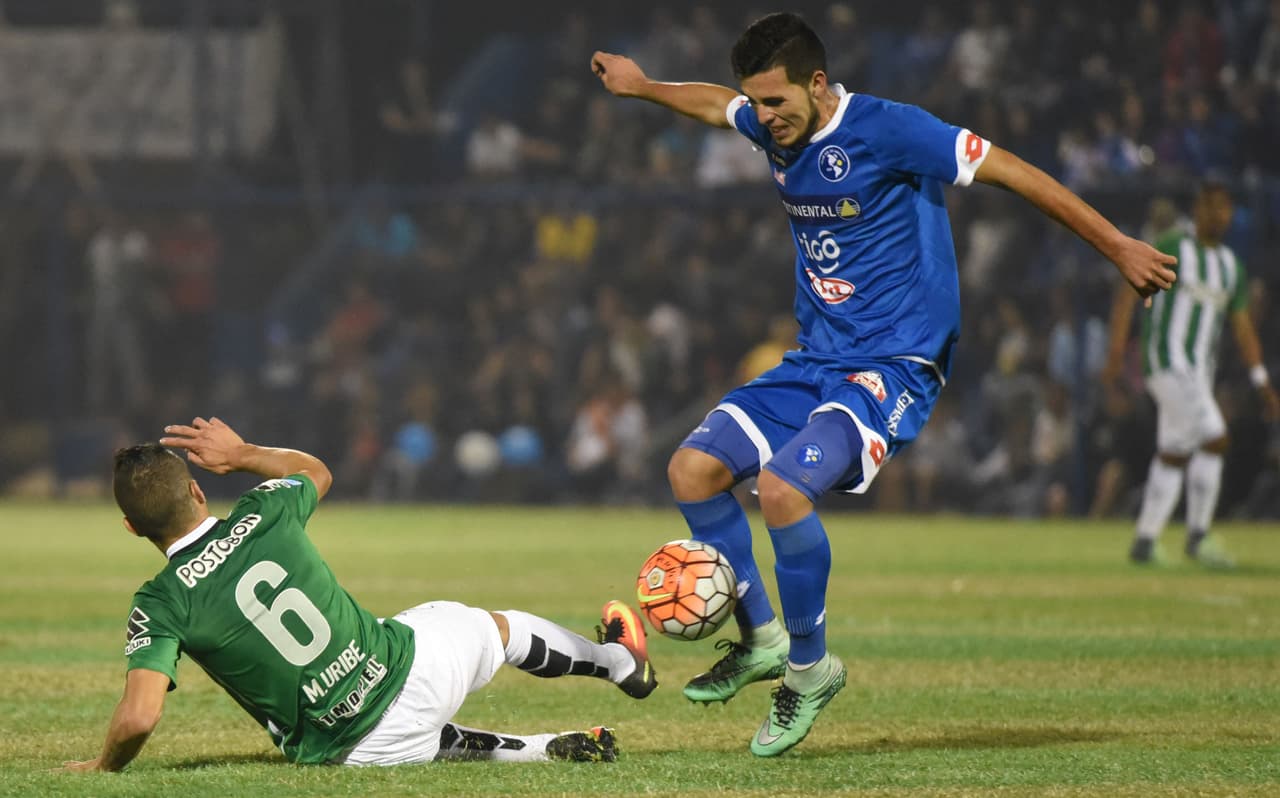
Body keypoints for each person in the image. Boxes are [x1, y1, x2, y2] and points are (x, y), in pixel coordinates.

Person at [591, 11, 1176, 757]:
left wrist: (1118, 244)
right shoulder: (770, 123)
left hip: (894, 363)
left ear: (817, 82)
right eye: (757, 104)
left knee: (780, 491)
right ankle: (763, 637)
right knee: (692, 470)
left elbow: (1012, 171)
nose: (764, 120)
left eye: (777, 103)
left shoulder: (890, 130)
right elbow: (715, 103)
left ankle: (809, 671)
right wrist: (643, 88)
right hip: (817, 359)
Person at [63, 417, 656, 772]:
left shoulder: (159, 602)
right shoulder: (265, 511)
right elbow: (317, 471)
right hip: (413, 675)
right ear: (196, 490)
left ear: (132, 528)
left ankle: (535, 749)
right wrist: (242, 455)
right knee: (486, 626)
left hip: (349, 752)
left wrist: (103, 765)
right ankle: (620, 663)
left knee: (402, 736)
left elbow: (140, 717)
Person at [1105, 181, 1280, 566]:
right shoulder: (1172, 245)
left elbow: (1243, 327)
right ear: (1197, 210)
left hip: (1199, 373)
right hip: (1166, 363)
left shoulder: (1231, 267)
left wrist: (1260, 380)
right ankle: (1198, 536)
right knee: (1215, 437)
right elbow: (1127, 293)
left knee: (1173, 453)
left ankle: (1145, 542)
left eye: (1223, 208)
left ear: (1231, 214)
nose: (1217, 214)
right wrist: (1116, 353)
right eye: (1209, 206)